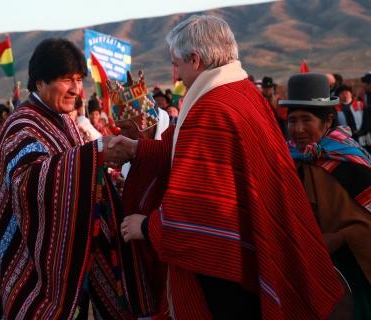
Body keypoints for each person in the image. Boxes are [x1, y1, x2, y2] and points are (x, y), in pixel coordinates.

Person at [110, 15, 344, 319]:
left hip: (226, 266)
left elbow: (197, 206)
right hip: (251, 235)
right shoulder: (242, 93)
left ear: (195, 60)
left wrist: (145, 226)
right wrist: (138, 149)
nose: (177, 76)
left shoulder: (211, 108)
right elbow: (186, 150)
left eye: (177, 65)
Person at [0, 38, 149, 319]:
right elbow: (28, 182)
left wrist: (106, 173)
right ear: (39, 82)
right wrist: (95, 154)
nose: (76, 89)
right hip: (36, 264)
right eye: (67, 80)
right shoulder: (22, 125)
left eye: (79, 79)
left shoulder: (63, 119)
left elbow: (78, 169)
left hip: (74, 256)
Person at [281, 73, 371, 319]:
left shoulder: (351, 165)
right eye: (292, 121)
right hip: (305, 272)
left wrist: (340, 237)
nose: (298, 129)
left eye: (306, 120)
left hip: (353, 276)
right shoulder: (287, 162)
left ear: (327, 121)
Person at [334, 84, 371, 152]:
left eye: (347, 93)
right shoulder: (336, 109)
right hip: (346, 140)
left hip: (363, 139)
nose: (345, 95)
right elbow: (336, 125)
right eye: (342, 93)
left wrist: (362, 131)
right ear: (338, 96)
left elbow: (367, 120)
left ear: (351, 94)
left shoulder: (360, 105)